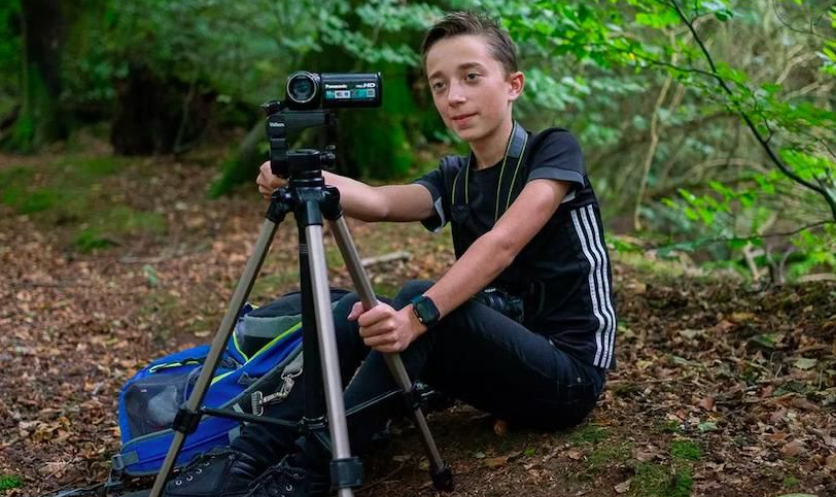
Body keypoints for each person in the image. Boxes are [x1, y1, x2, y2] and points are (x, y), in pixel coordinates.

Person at [163, 11, 616, 497]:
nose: (454, 97)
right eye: (439, 85)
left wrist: (416, 316)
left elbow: (501, 245)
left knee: (416, 300)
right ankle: (249, 456)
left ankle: (305, 473)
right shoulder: (456, 176)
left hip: (567, 377)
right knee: (356, 310)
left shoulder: (553, 151)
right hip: (502, 359)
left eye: (470, 77)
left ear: (513, 85)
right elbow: (379, 203)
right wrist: (301, 172)